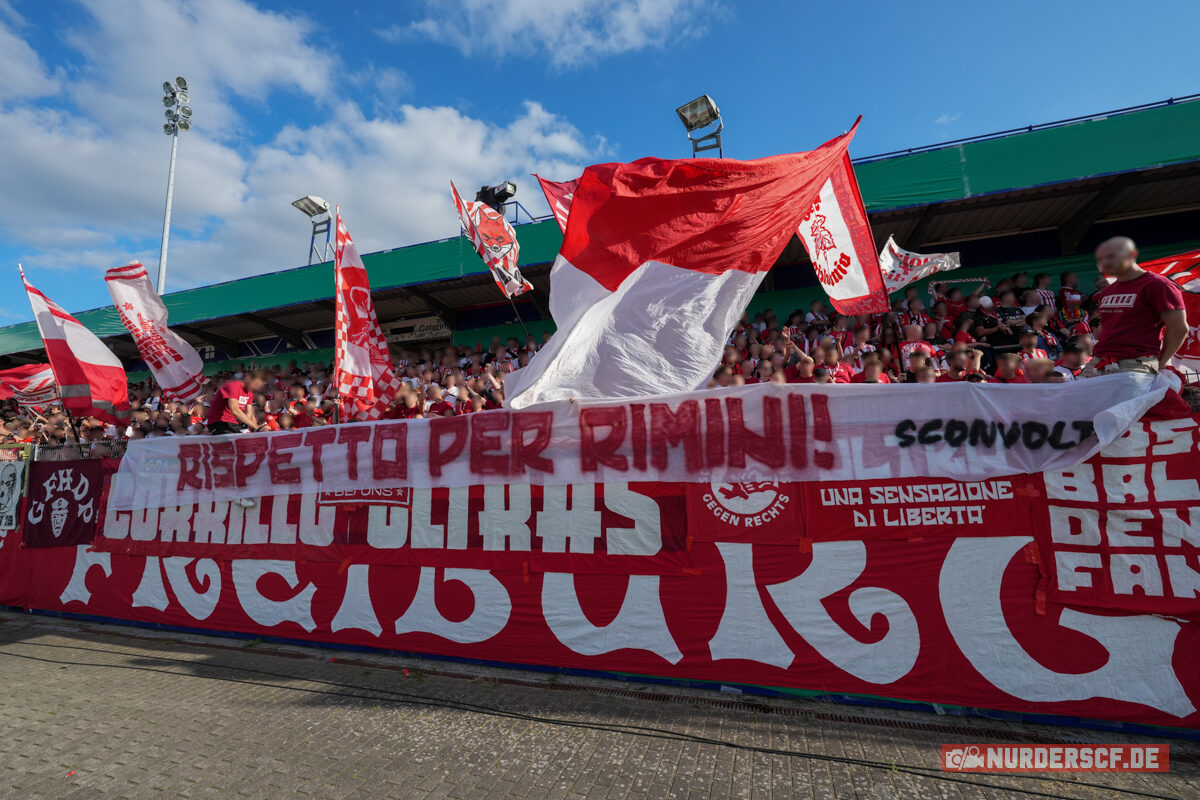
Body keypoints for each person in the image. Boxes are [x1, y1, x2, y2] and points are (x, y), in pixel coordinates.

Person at [1091, 236, 1188, 373]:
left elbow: (1179, 329)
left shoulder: (1159, 285)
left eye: (1111, 256)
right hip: (1099, 361)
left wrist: (1161, 363)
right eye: (1100, 259)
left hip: (1135, 363)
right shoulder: (1107, 291)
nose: (1105, 263)